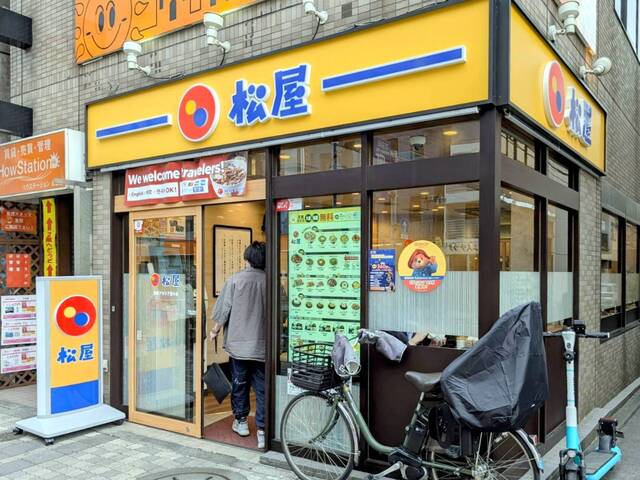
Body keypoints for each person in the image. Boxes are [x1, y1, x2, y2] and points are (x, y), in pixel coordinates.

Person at [210, 241, 266, 449]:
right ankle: (262, 430)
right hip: (263, 346)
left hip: (238, 345)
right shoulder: (272, 281)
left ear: (247, 259)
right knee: (262, 388)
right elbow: (283, 311)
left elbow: (224, 310)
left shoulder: (235, 280)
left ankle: (241, 422)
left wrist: (214, 331)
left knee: (239, 383)